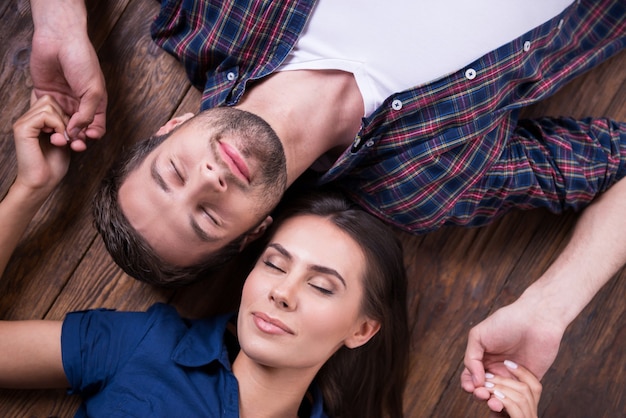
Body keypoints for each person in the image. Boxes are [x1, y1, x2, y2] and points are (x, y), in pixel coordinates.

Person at [27, 0, 624, 415]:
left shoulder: (211, 16)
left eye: (173, 172)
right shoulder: (424, 186)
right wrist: (550, 307)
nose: (207, 179)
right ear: (253, 236)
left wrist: (57, 20)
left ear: (173, 126)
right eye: (206, 217)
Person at [2, 98, 412, 417]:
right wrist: (28, 191)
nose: (283, 293)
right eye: (274, 264)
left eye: (322, 286)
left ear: (362, 330)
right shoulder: (144, 346)